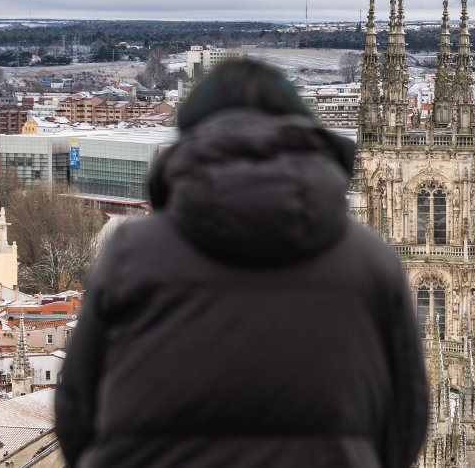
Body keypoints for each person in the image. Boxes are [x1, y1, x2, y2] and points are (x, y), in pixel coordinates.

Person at [55, 60, 428, 467]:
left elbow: (77, 407)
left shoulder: (133, 250)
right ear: (302, 130)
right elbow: (406, 415)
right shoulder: (370, 259)